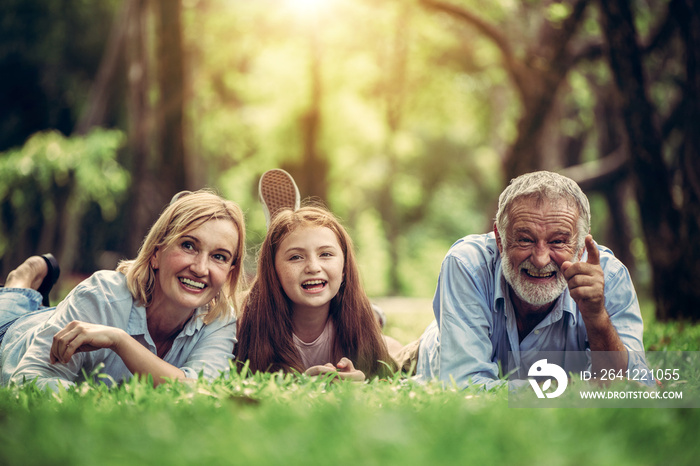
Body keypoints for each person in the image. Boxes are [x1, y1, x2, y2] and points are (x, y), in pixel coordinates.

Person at [415, 171, 649, 389]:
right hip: (436, 349)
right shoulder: (467, 264)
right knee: (391, 359)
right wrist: (568, 391)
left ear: (580, 247)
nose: (540, 259)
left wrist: (597, 317)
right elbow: (463, 386)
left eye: (557, 241)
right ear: (500, 239)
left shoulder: (610, 277)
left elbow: (630, 386)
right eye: (525, 239)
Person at [0, 190, 246, 391]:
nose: (201, 268)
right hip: (14, 333)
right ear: (156, 253)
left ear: (230, 272)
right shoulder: (103, 294)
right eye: (189, 245)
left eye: (219, 257)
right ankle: (20, 283)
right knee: (9, 309)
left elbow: (202, 392)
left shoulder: (219, 319)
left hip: (62, 318)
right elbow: (29, 378)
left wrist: (120, 341)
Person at [234, 205, 397, 381]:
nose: (313, 267)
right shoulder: (246, 325)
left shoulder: (358, 322)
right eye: (296, 257)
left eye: (326, 254)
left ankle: (376, 315)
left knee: (395, 348)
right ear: (273, 272)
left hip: (372, 327)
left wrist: (361, 378)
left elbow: (384, 375)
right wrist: (302, 382)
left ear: (344, 269)